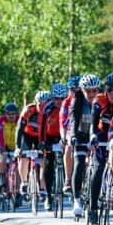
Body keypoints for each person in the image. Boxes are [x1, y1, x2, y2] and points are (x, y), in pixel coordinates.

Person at [87, 72, 113, 223]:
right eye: (111, 91)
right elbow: (93, 122)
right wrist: (92, 136)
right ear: (105, 90)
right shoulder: (99, 100)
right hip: (101, 133)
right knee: (99, 167)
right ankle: (93, 208)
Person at [69, 74, 102, 218]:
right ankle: (77, 200)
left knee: (99, 165)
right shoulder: (77, 99)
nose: (91, 94)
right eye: (88, 91)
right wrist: (73, 136)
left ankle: (96, 201)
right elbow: (73, 119)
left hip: (96, 134)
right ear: (82, 90)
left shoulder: (100, 99)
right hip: (81, 134)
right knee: (79, 163)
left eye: (94, 90)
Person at [39, 83, 68, 211]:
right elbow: (41, 126)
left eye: (62, 98)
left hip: (65, 137)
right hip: (50, 137)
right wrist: (42, 142)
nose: (60, 101)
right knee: (49, 164)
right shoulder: (47, 108)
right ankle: (49, 197)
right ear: (52, 98)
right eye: (57, 98)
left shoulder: (68, 106)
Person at [16, 90, 50, 195]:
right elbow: (20, 129)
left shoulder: (51, 111)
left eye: (45, 104)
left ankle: (43, 188)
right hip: (27, 136)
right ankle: (24, 182)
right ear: (35, 104)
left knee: (44, 161)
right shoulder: (28, 110)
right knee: (24, 157)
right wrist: (17, 147)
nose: (43, 107)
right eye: (40, 105)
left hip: (42, 137)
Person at [60, 75, 81, 193]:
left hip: (84, 128)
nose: (76, 93)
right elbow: (63, 123)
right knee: (68, 147)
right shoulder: (66, 102)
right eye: (73, 90)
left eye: (78, 90)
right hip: (70, 129)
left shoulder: (87, 99)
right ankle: (68, 180)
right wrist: (63, 137)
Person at [0, 102, 19, 181]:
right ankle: (2, 176)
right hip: (4, 146)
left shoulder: (20, 120)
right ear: (5, 114)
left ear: (16, 114)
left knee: (18, 166)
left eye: (13, 114)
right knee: (1, 160)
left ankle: (18, 191)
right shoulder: (0, 121)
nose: (11, 116)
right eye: (8, 114)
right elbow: (0, 136)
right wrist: (3, 150)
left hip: (16, 146)